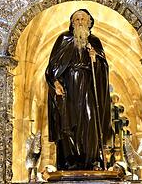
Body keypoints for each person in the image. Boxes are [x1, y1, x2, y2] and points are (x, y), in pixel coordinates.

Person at [45, 9, 111, 170]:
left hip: (88, 85)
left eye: (83, 19)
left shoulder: (94, 41)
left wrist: (95, 58)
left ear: (89, 22)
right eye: (76, 19)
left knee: (90, 120)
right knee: (68, 122)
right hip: (68, 86)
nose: (80, 22)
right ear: (72, 23)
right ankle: (70, 161)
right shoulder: (64, 39)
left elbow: (103, 68)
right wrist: (55, 83)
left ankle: (91, 160)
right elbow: (53, 65)